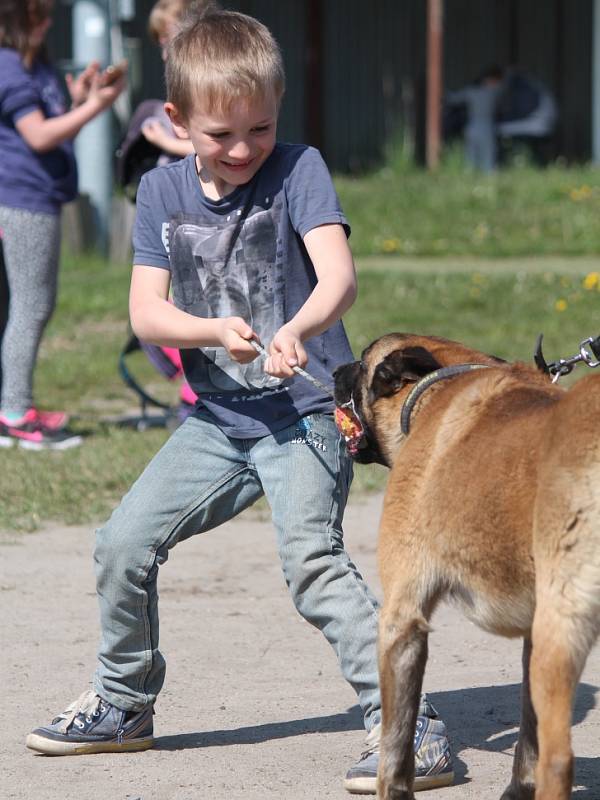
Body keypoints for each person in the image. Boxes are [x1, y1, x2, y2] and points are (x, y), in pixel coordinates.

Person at [25, 10, 453, 794]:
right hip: (221, 420)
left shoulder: (299, 171)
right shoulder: (158, 191)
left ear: (278, 110)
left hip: (306, 416)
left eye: (261, 126)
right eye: (223, 134)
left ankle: (411, 728)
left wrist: (297, 328)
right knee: (121, 544)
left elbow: (339, 277)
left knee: (312, 564)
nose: (245, 148)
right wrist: (212, 332)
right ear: (178, 121)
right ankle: (124, 703)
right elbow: (145, 313)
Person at [0, 0, 125, 449]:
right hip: (21, 200)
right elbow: (37, 136)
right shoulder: (9, 67)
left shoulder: (38, 66)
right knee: (30, 308)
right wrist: (100, 107)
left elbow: (52, 125)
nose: (49, 22)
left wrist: (81, 99)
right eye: (39, 16)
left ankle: (14, 405)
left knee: (33, 306)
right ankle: (14, 414)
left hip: (40, 200)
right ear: (17, 20)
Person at [445, 65, 504, 172]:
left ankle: (468, 180)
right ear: (490, 79)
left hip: (471, 128)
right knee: (488, 161)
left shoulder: (471, 91)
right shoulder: (495, 92)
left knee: (470, 159)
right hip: (486, 129)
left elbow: (452, 98)